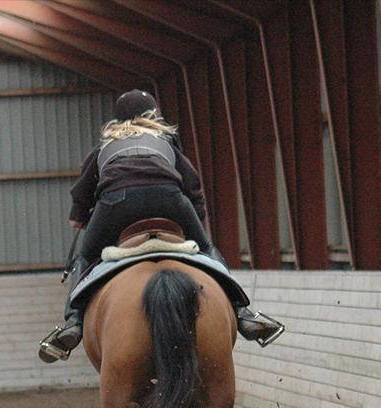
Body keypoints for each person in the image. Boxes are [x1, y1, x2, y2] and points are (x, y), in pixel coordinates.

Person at [38, 89, 284, 363]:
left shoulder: (102, 149)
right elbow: (193, 189)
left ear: (117, 120)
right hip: (169, 198)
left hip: (116, 202)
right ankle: (244, 314)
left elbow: (78, 208)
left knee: (84, 257)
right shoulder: (167, 143)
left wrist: (82, 215)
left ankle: (73, 324)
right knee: (206, 247)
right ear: (153, 115)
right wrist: (193, 219)